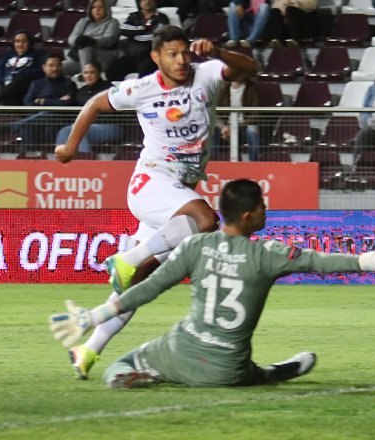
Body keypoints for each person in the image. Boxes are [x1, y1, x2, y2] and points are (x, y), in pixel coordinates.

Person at [49, 179, 375, 388]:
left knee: (119, 366)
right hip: (227, 368)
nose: (266, 211)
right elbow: (322, 262)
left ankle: (143, 375)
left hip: (178, 354)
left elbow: (149, 288)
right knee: (251, 374)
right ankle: (276, 372)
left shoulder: (194, 246)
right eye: (262, 206)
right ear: (248, 215)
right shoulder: (269, 254)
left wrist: (93, 317)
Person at [53, 25, 258, 380]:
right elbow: (93, 103)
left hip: (176, 195)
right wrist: (70, 147)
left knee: (137, 285)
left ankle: (87, 350)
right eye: (172, 54)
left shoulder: (207, 73)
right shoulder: (142, 89)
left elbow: (250, 68)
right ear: (156, 57)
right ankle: (127, 259)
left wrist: (218, 51)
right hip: (151, 184)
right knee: (207, 219)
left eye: (185, 53)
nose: (181, 60)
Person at [0, 53, 77, 151]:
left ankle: (13, 126)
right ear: (44, 67)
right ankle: (30, 157)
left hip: (59, 124)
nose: (55, 69)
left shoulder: (69, 84)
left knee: (49, 113)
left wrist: (43, 101)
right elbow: (28, 104)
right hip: (37, 125)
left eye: (58, 65)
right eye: (51, 65)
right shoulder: (36, 84)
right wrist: (56, 101)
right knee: (27, 127)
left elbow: (67, 104)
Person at [56, 61, 122, 153]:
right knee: (64, 131)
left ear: (99, 73)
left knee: (79, 130)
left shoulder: (109, 89)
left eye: (92, 72)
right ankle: (63, 158)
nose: (88, 75)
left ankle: (85, 159)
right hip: (88, 125)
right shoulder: (81, 91)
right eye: (86, 73)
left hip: (111, 126)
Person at [105, 0, 169, 82]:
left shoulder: (162, 18)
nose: (147, 1)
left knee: (146, 72)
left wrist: (134, 35)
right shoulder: (133, 16)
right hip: (131, 56)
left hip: (150, 56)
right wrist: (142, 28)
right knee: (112, 71)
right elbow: (123, 29)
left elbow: (156, 35)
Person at [63, 0, 120, 77]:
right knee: (60, 67)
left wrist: (92, 41)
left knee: (86, 46)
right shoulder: (83, 22)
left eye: (100, 7)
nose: (97, 10)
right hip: (81, 58)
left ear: (106, 9)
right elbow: (71, 38)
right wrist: (77, 40)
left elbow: (109, 39)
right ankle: (85, 72)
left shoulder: (113, 22)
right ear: (90, 9)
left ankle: (86, 75)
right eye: (94, 7)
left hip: (104, 56)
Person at [214, 78, 262, 161]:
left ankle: (254, 163)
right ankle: (214, 162)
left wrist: (236, 128)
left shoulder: (251, 87)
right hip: (227, 127)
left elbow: (255, 113)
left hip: (244, 126)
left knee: (252, 130)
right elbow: (215, 113)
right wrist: (224, 127)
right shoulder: (223, 88)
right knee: (212, 129)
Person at [0, 30, 45, 106]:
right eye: (17, 41)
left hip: (25, 91)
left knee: (22, 80)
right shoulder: (8, 55)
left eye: (24, 41)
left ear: (29, 43)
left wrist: (18, 74)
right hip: (4, 87)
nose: (20, 44)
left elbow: (41, 72)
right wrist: (2, 79)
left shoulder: (38, 54)